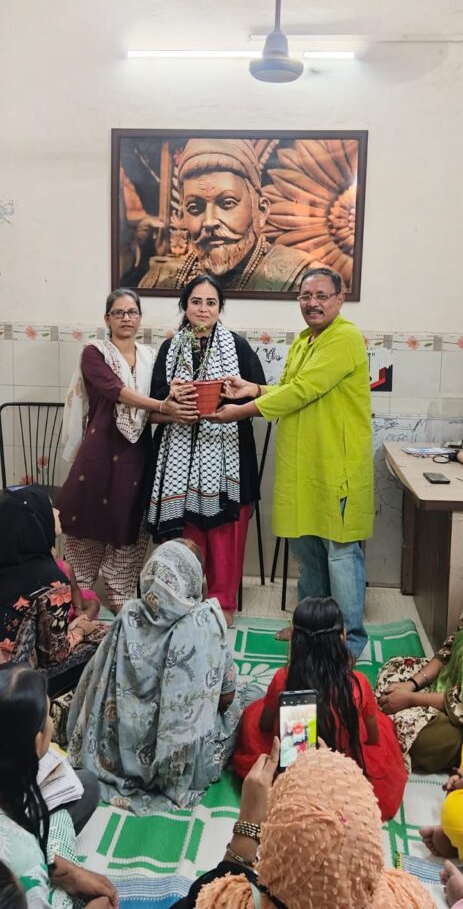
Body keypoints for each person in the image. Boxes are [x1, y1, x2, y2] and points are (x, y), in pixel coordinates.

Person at [210, 267, 374, 659]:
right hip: (303, 468)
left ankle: (350, 640)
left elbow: (303, 391)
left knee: (340, 554)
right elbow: (288, 387)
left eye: (321, 295)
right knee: (308, 551)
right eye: (305, 296)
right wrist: (254, 388)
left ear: (340, 299)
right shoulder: (304, 341)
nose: (312, 303)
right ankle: (309, 628)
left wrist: (242, 410)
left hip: (336, 467)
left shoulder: (344, 337)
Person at [67, 540, 254, 813]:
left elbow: (98, 680)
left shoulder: (128, 615)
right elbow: (226, 697)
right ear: (192, 579)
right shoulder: (204, 623)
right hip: (179, 761)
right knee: (251, 700)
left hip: (120, 751)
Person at [56, 287, 197, 614]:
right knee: (86, 522)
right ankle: (81, 593)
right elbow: (116, 391)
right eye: (118, 312)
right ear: (107, 319)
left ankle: (120, 592)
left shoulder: (150, 357)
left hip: (137, 455)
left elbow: (149, 411)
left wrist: (176, 413)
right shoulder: (94, 353)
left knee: (129, 524)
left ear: (140, 317)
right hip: (99, 454)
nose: (126, 318)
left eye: (132, 312)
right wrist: (162, 405)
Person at [172, 742, 433, 909]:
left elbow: (202, 898)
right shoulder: (407, 899)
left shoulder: (226, 901)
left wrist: (246, 830)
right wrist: (332, 776)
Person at [147, 274, 265, 625]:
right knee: (188, 531)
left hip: (230, 455)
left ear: (219, 308)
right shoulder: (170, 349)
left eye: (211, 302)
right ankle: (183, 600)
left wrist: (232, 401)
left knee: (226, 533)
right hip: (178, 458)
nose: (203, 309)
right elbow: (154, 404)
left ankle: (223, 603)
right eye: (196, 301)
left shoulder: (238, 347)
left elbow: (261, 398)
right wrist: (173, 408)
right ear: (185, 306)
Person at [233, 596, 406, 821]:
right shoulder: (358, 684)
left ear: (295, 640)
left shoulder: (283, 678)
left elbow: (264, 725)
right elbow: (373, 737)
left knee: (251, 715)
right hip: (342, 761)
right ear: (342, 636)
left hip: (295, 764)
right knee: (382, 725)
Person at [0, 664, 118, 909]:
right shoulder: (22, 857)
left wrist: (64, 870)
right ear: (36, 741)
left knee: (85, 785)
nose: (52, 722)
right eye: (47, 716)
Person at [139, 138, 313, 293]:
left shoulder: (302, 280)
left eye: (227, 203)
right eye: (195, 207)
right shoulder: (158, 281)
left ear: (260, 211)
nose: (209, 221)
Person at [0, 486, 108, 695]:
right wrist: (81, 630)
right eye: (50, 508)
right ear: (35, 522)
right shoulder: (51, 579)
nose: (58, 512)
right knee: (105, 635)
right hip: (13, 687)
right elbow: (54, 655)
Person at [376, 609, 463, 772]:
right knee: (393, 669)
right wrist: (412, 684)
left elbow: (459, 703)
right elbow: (447, 652)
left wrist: (410, 699)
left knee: (416, 737)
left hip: (456, 717)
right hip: (444, 685)